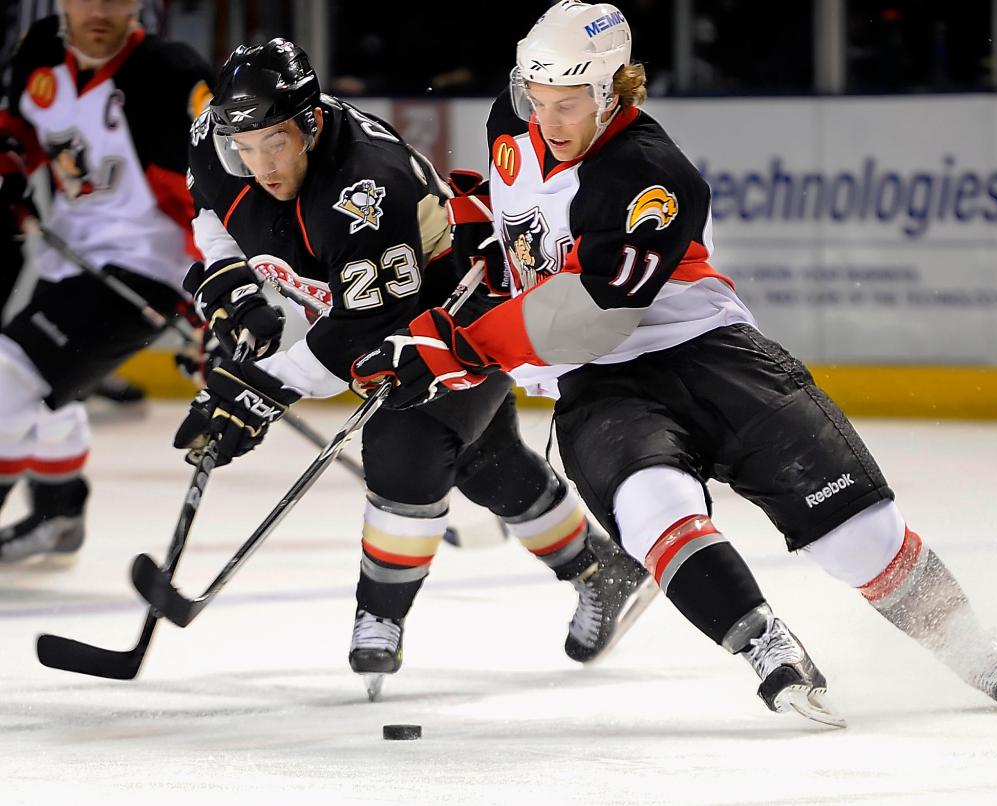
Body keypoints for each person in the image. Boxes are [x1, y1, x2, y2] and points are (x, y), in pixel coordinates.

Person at [352, 0, 997, 722]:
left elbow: (590, 313)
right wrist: (488, 235)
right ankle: (765, 642)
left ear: (614, 89)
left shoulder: (653, 175)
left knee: (857, 538)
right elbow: (523, 218)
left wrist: (458, 343)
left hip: (707, 353)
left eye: (569, 102)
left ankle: (975, 651)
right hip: (603, 387)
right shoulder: (513, 122)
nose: (548, 119)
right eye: (537, 99)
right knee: (649, 508)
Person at [178, 38, 656, 699]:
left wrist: (260, 390)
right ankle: (599, 569)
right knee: (483, 460)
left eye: (276, 144)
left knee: (406, 441)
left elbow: (364, 329)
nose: (260, 165)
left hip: (456, 308)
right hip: (376, 307)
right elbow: (210, 215)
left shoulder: (365, 187)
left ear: (311, 124)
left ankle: (381, 614)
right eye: (246, 148)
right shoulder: (215, 130)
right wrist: (230, 284)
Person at [0, 0, 212, 563]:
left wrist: (213, 302)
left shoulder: (170, 73)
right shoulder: (42, 49)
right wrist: (12, 165)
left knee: (6, 386)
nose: (100, 9)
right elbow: (19, 126)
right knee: (43, 392)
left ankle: (58, 512)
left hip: (148, 273)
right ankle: (58, 514)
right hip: (69, 259)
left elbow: (214, 198)